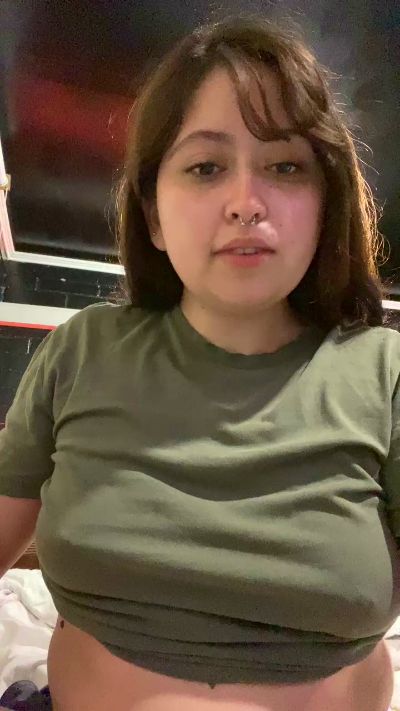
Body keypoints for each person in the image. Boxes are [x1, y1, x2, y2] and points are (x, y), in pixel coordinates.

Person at [0, 13, 398, 711]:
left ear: (325, 200)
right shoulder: (81, 352)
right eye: (206, 167)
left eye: (285, 166)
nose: (246, 202)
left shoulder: (385, 375)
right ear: (153, 214)